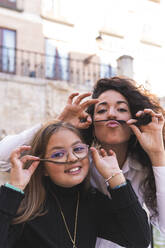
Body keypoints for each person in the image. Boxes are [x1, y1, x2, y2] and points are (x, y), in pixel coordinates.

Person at [0, 76, 165, 248]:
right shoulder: (81, 165)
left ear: (135, 121)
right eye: (101, 110)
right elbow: (3, 158)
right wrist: (59, 122)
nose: (111, 114)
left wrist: (157, 154)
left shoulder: (141, 169)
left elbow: (143, 237)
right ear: (91, 124)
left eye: (121, 109)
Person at [0, 121, 151, 248]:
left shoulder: (93, 202)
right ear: (43, 167)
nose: (72, 158)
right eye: (58, 154)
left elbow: (140, 240)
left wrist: (116, 178)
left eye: (78, 149)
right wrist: (15, 188)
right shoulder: (19, 203)